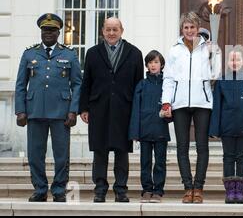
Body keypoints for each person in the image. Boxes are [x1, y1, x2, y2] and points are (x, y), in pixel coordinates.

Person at [15, 13, 82, 202]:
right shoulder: (29, 54)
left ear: (59, 32)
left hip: (61, 112)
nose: (48, 33)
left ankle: (59, 190)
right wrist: (20, 110)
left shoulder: (69, 54)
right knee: (35, 154)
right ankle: (40, 189)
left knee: (62, 155)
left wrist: (73, 110)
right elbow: (21, 84)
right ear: (41, 31)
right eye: (45, 30)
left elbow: (77, 84)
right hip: (34, 110)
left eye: (52, 30)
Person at [79, 17, 144, 203]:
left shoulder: (134, 53)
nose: (111, 33)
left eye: (115, 29)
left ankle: (120, 190)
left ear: (122, 30)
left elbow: (139, 85)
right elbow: (86, 83)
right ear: (102, 31)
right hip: (98, 108)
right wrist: (83, 107)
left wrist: (137, 111)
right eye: (108, 29)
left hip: (125, 109)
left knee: (122, 151)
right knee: (100, 150)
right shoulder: (92, 53)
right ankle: (100, 190)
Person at [161, 11, 220, 204]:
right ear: (182, 29)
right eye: (186, 27)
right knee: (182, 147)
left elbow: (216, 74)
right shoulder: (175, 50)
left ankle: (199, 187)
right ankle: (188, 187)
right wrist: (166, 101)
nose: (189, 30)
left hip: (202, 102)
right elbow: (168, 78)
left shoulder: (209, 48)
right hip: (179, 104)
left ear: (198, 28)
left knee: (202, 147)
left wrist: (213, 54)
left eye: (192, 27)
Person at [209, 50, 243, 204]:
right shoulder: (221, 81)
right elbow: (216, 107)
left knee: (242, 158)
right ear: (227, 63)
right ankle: (230, 191)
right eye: (231, 60)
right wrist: (214, 129)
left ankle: (240, 191)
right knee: (228, 158)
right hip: (226, 127)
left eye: (238, 59)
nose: (234, 63)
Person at [129, 50, 171, 203]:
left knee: (160, 162)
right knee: (145, 162)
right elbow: (135, 109)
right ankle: (147, 189)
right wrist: (135, 132)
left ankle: (158, 191)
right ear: (146, 65)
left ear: (162, 65)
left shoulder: (167, 84)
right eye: (150, 62)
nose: (153, 65)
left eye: (156, 62)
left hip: (160, 129)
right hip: (145, 129)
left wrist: (169, 116)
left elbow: (171, 106)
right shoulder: (142, 84)